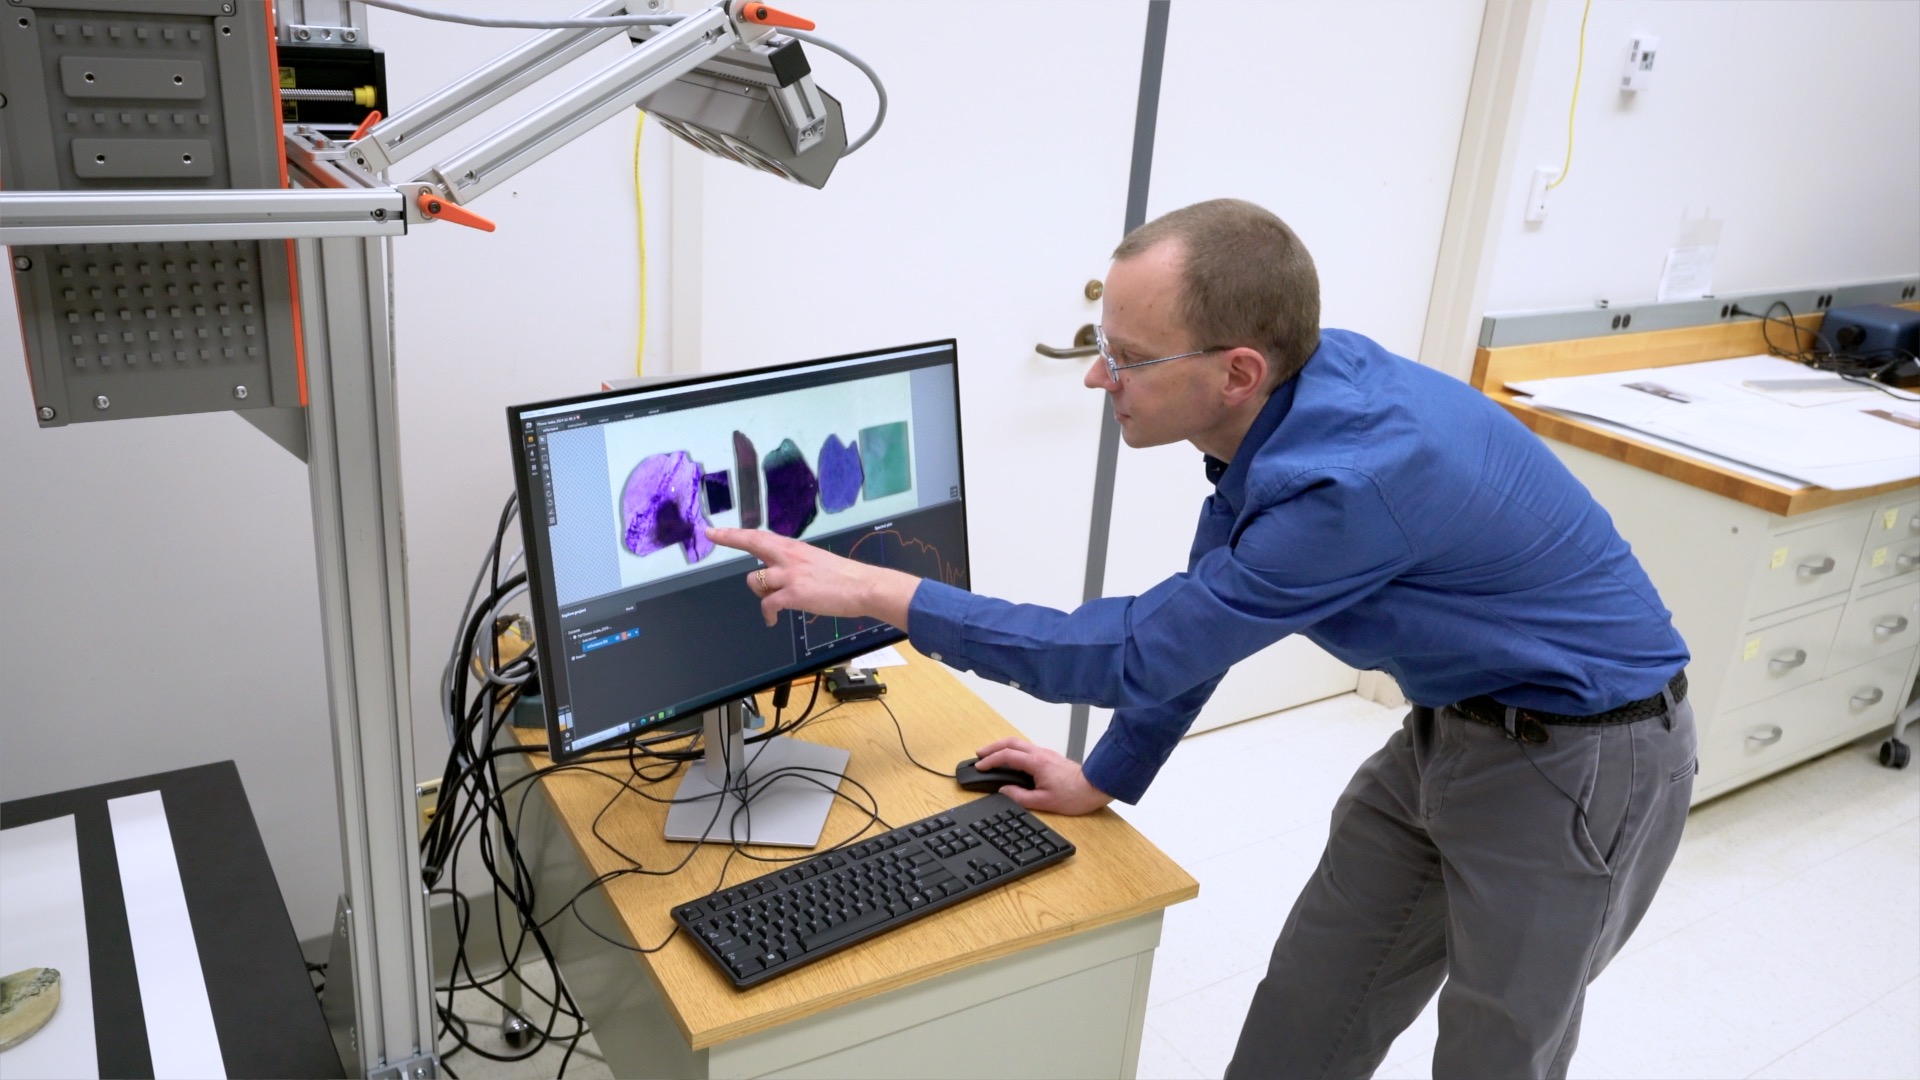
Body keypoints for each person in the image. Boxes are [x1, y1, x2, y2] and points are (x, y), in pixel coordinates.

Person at [708, 198, 1694, 1080]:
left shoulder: (1351, 482)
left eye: (1128, 358)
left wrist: (882, 592)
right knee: (1308, 1009)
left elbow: (1138, 652)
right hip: (1452, 728)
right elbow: (1202, 622)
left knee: (1497, 1054)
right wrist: (1105, 775)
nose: (1096, 376)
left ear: (1238, 371)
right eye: (1104, 344)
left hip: (1585, 755)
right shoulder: (1294, 402)